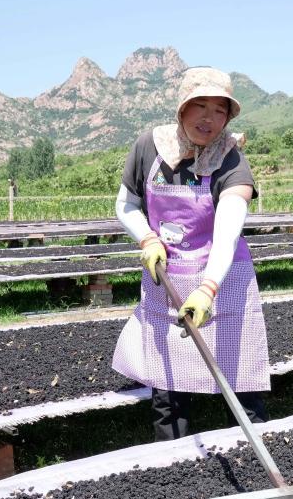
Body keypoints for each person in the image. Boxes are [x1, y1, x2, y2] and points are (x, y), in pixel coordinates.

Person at [111, 67, 270, 441]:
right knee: (168, 384)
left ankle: (251, 446)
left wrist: (208, 288)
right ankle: (171, 460)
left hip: (223, 280)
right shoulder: (149, 147)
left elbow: (228, 231)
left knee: (240, 377)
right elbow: (126, 204)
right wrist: (147, 239)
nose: (208, 118)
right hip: (167, 277)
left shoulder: (231, 160)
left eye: (219, 110)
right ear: (181, 108)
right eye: (200, 105)